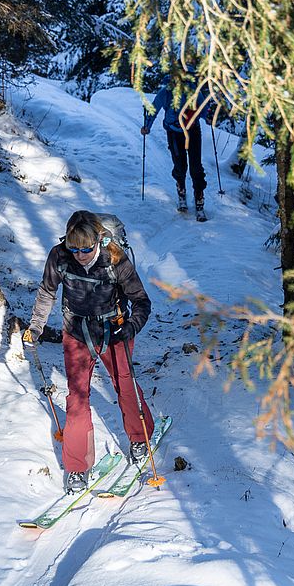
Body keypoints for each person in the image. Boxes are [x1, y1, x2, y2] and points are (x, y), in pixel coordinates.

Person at [22, 211, 153, 493]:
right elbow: (47, 291)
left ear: (99, 241)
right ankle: (77, 466)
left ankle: (140, 437)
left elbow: (141, 301)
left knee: (125, 386)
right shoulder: (59, 256)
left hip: (113, 331)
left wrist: (132, 326)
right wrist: (36, 326)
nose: (80, 254)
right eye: (75, 248)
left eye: (86, 248)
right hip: (77, 332)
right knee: (77, 398)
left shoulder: (116, 259)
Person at [141, 71, 214, 222]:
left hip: (191, 131)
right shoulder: (166, 92)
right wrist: (147, 126)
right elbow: (153, 109)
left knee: (195, 166)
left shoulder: (193, 90)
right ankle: (182, 192)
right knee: (181, 165)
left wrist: (207, 116)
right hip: (175, 132)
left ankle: (199, 201)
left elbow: (202, 109)